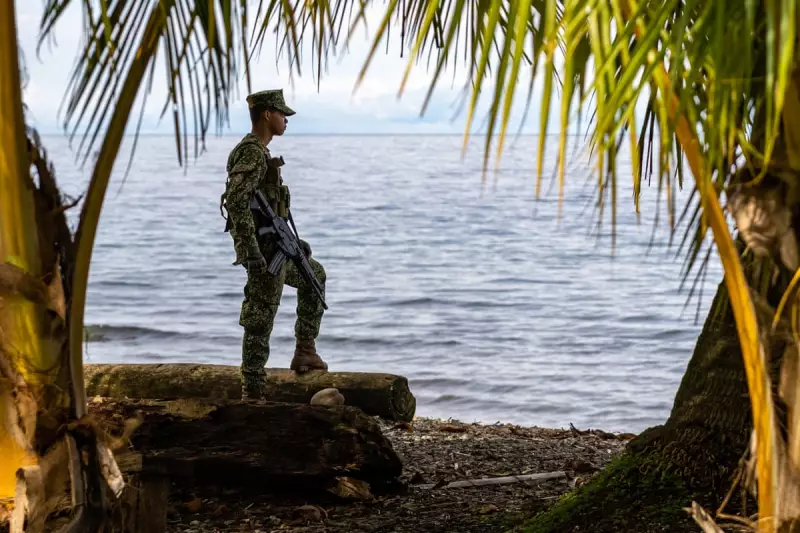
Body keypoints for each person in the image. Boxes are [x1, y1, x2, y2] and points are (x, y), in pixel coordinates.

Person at [220, 88, 329, 402]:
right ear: (267, 114)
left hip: (276, 246)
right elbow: (237, 201)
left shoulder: (262, 153)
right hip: (265, 255)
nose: (285, 120)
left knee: (315, 276)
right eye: (281, 114)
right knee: (260, 317)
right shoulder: (251, 151)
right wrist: (249, 251)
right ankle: (252, 390)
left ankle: (305, 351)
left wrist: (295, 243)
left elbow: (264, 205)